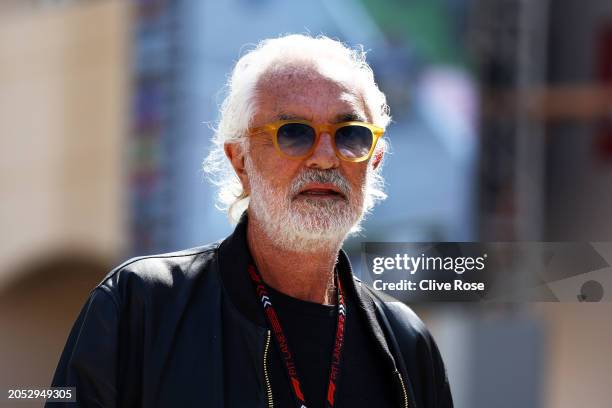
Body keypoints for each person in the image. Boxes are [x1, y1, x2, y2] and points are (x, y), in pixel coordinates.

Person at [47, 34, 453, 408]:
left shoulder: (405, 341)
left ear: (373, 160)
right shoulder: (139, 305)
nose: (326, 157)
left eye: (351, 135)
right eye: (294, 133)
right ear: (240, 160)